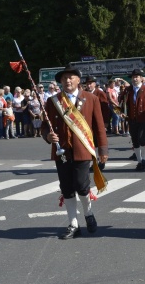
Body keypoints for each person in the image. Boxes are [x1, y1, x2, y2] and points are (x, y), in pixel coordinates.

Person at [42, 65, 108, 239]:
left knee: (81, 185)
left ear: (79, 80)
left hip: (83, 149)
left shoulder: (91, 99)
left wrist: (103, 149)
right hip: (61, 150)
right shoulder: (53, 101)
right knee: (66, 188)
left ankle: (88, 213)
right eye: (64, 78)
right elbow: (44, 127)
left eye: (71, 77)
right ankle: (73, 223)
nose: (68, 80)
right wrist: (49, 137)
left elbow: (99, 126)